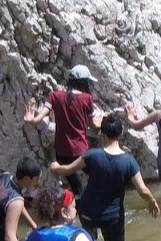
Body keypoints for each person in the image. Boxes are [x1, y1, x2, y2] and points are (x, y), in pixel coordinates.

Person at [51, 115, 160, 241]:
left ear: (102, 134)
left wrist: (56, 166)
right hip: (113, 217)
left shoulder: (91, 155)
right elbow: (142, 189)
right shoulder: (129, 161)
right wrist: (152, 201)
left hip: (88, 213)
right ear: (120, 135)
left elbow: (67, 170)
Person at [24, 65, 103, 196]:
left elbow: (37, 120)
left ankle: (77, 203)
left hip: (62, 153)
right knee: (97, 177)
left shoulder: (55, 96)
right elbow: (92, 124)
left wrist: (31, 119)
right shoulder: (86, 98)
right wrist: (100, 123)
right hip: (80, 151)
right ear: (83, 82)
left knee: (76, 186)